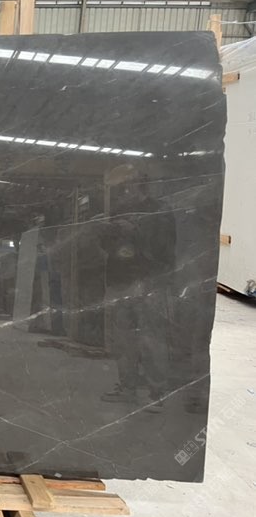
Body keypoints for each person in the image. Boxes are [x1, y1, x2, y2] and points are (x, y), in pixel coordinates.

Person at [97, 166, 176, 412]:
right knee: (123, 340)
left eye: (127, 186)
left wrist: (137, 231)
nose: (123, 192)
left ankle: (156, 393)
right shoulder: (118, 211)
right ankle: (127, 387)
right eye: (121, 188)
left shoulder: (159, 210)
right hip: (121, 281)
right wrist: (108, 232)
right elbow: (107, 245)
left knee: (151, 339)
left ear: (140, 186)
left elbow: (165, 246)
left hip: (149, 281)